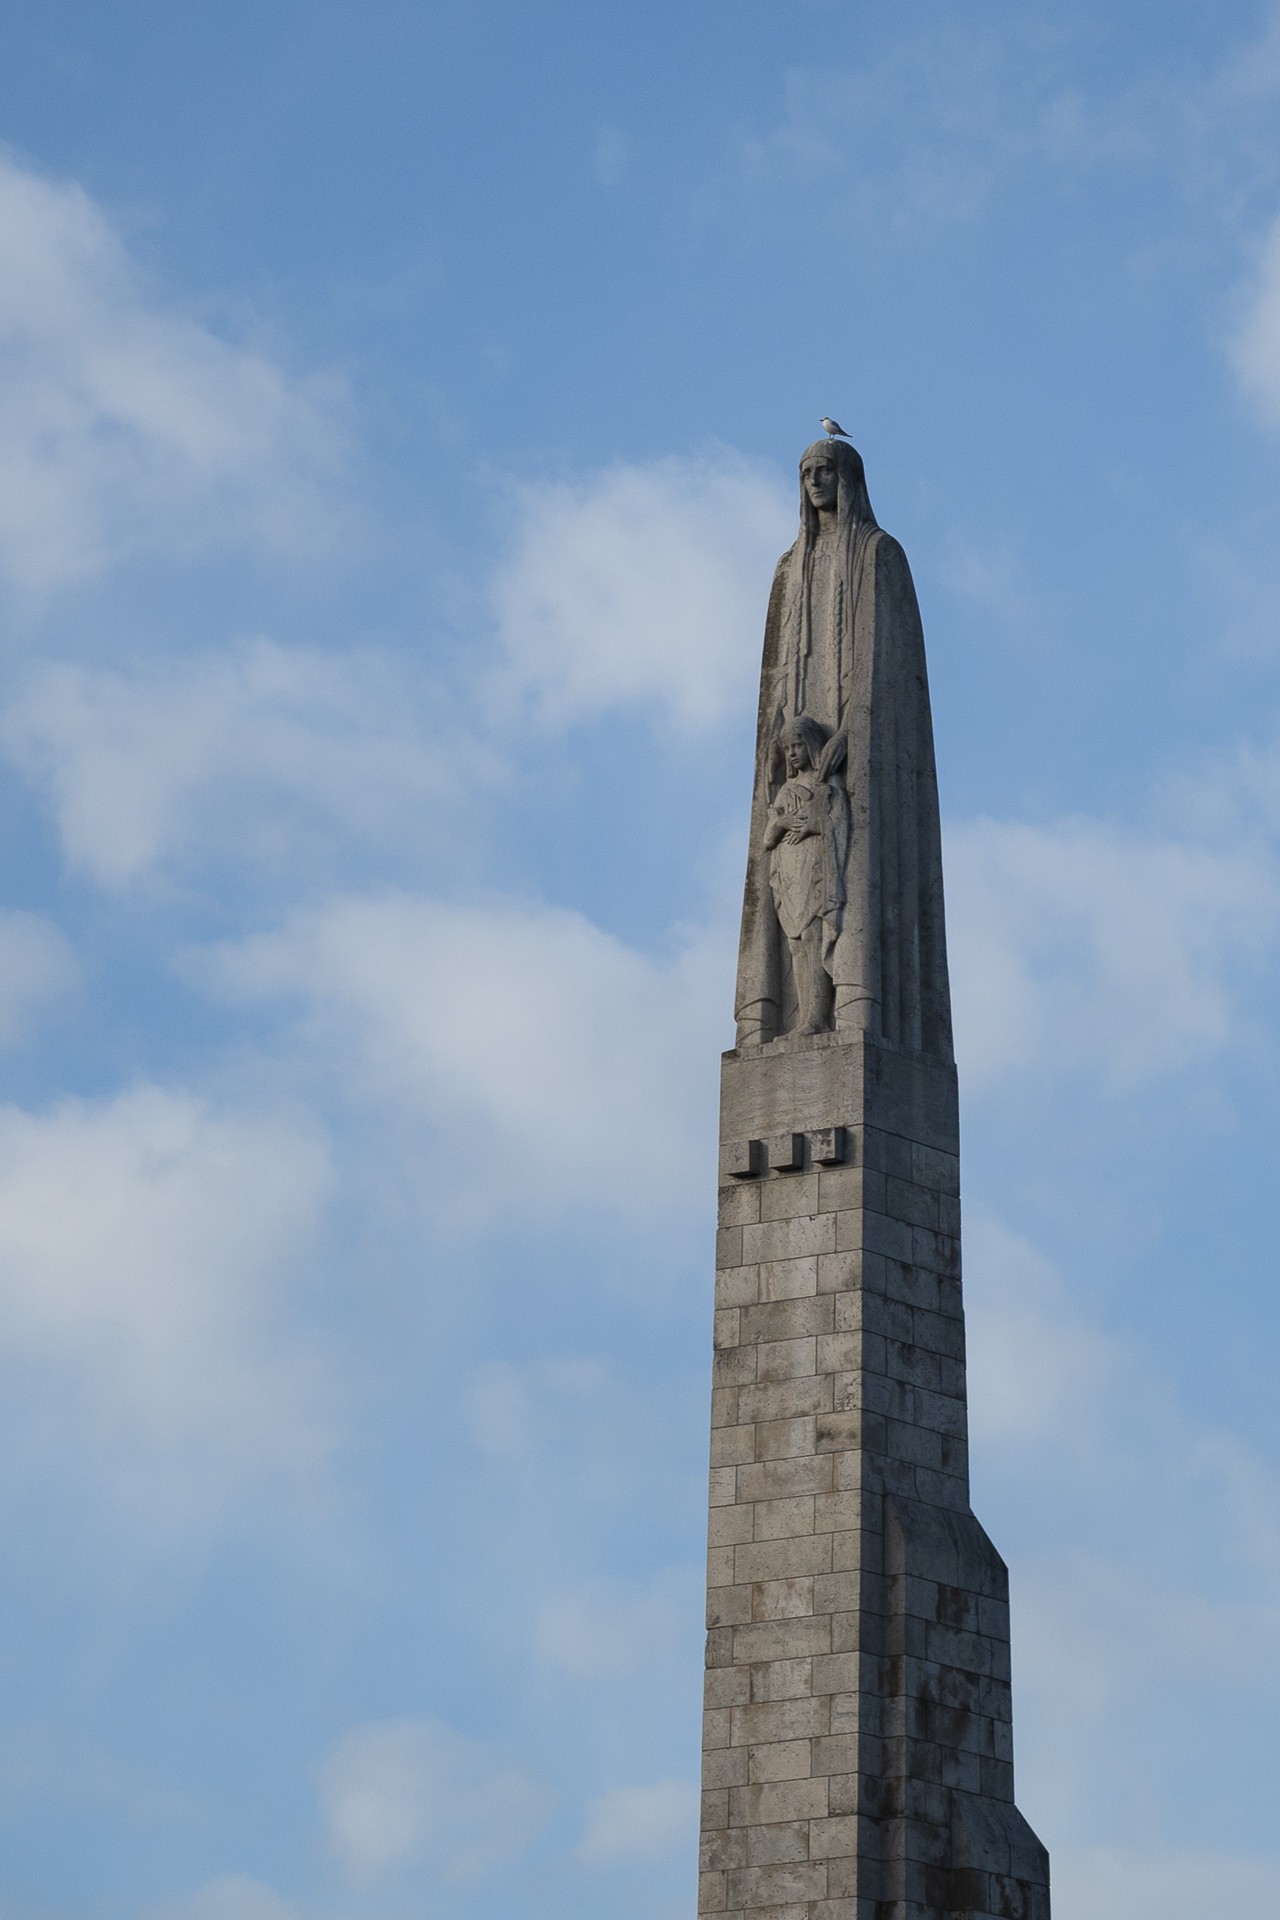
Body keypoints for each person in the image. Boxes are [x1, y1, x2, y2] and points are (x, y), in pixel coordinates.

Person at [735, 438, 953, 1059]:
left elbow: (885, 671)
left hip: (855, 762)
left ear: (848, 478)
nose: (814, 481)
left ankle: (852, 1002)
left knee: (853, 881)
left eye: (824, 470)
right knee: (790, 902)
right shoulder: (788, 568)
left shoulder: (879, 555)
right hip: (797, 767)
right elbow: (776, 674)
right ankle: (788, 1012)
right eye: (805, 473)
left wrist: (853, 733)